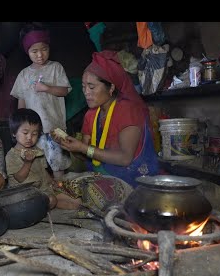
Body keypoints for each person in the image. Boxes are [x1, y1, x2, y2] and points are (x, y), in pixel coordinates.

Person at [53, 50, 159, 209]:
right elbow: (85, 155)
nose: (86, 93)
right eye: (83, 87)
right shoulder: (91, 115)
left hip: (132, 179)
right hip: (100, 176)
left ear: (111, 88)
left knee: (88, 194)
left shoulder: (128, 110)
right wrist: (71, 146)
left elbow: (125, 159)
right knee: (55, 187)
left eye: (91, 87)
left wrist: (83, 147)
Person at [10, 25, 72, 180]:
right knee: (38, 163)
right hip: (33, 131)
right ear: (27, 52)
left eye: (44, 49)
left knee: (57, 162)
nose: (40, 55)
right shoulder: (23, 75)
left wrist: (46, 88)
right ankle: (47, 190)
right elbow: (21, 103)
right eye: (34, 51)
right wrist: (20, 127)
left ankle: (61, 188)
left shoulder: (55, 68)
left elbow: (64, 91)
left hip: (54, 127)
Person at [5, 108, 57, 209]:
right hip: (23, 194)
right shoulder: (12, 155)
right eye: (25, 133)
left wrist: (52, 181)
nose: (29, 137)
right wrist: (27, 163)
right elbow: (19, 178)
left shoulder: (37, 151)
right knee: (50, 200)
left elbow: (43, 170)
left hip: (41, 189)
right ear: (14, 133)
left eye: (34, 134)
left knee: (59, 198)